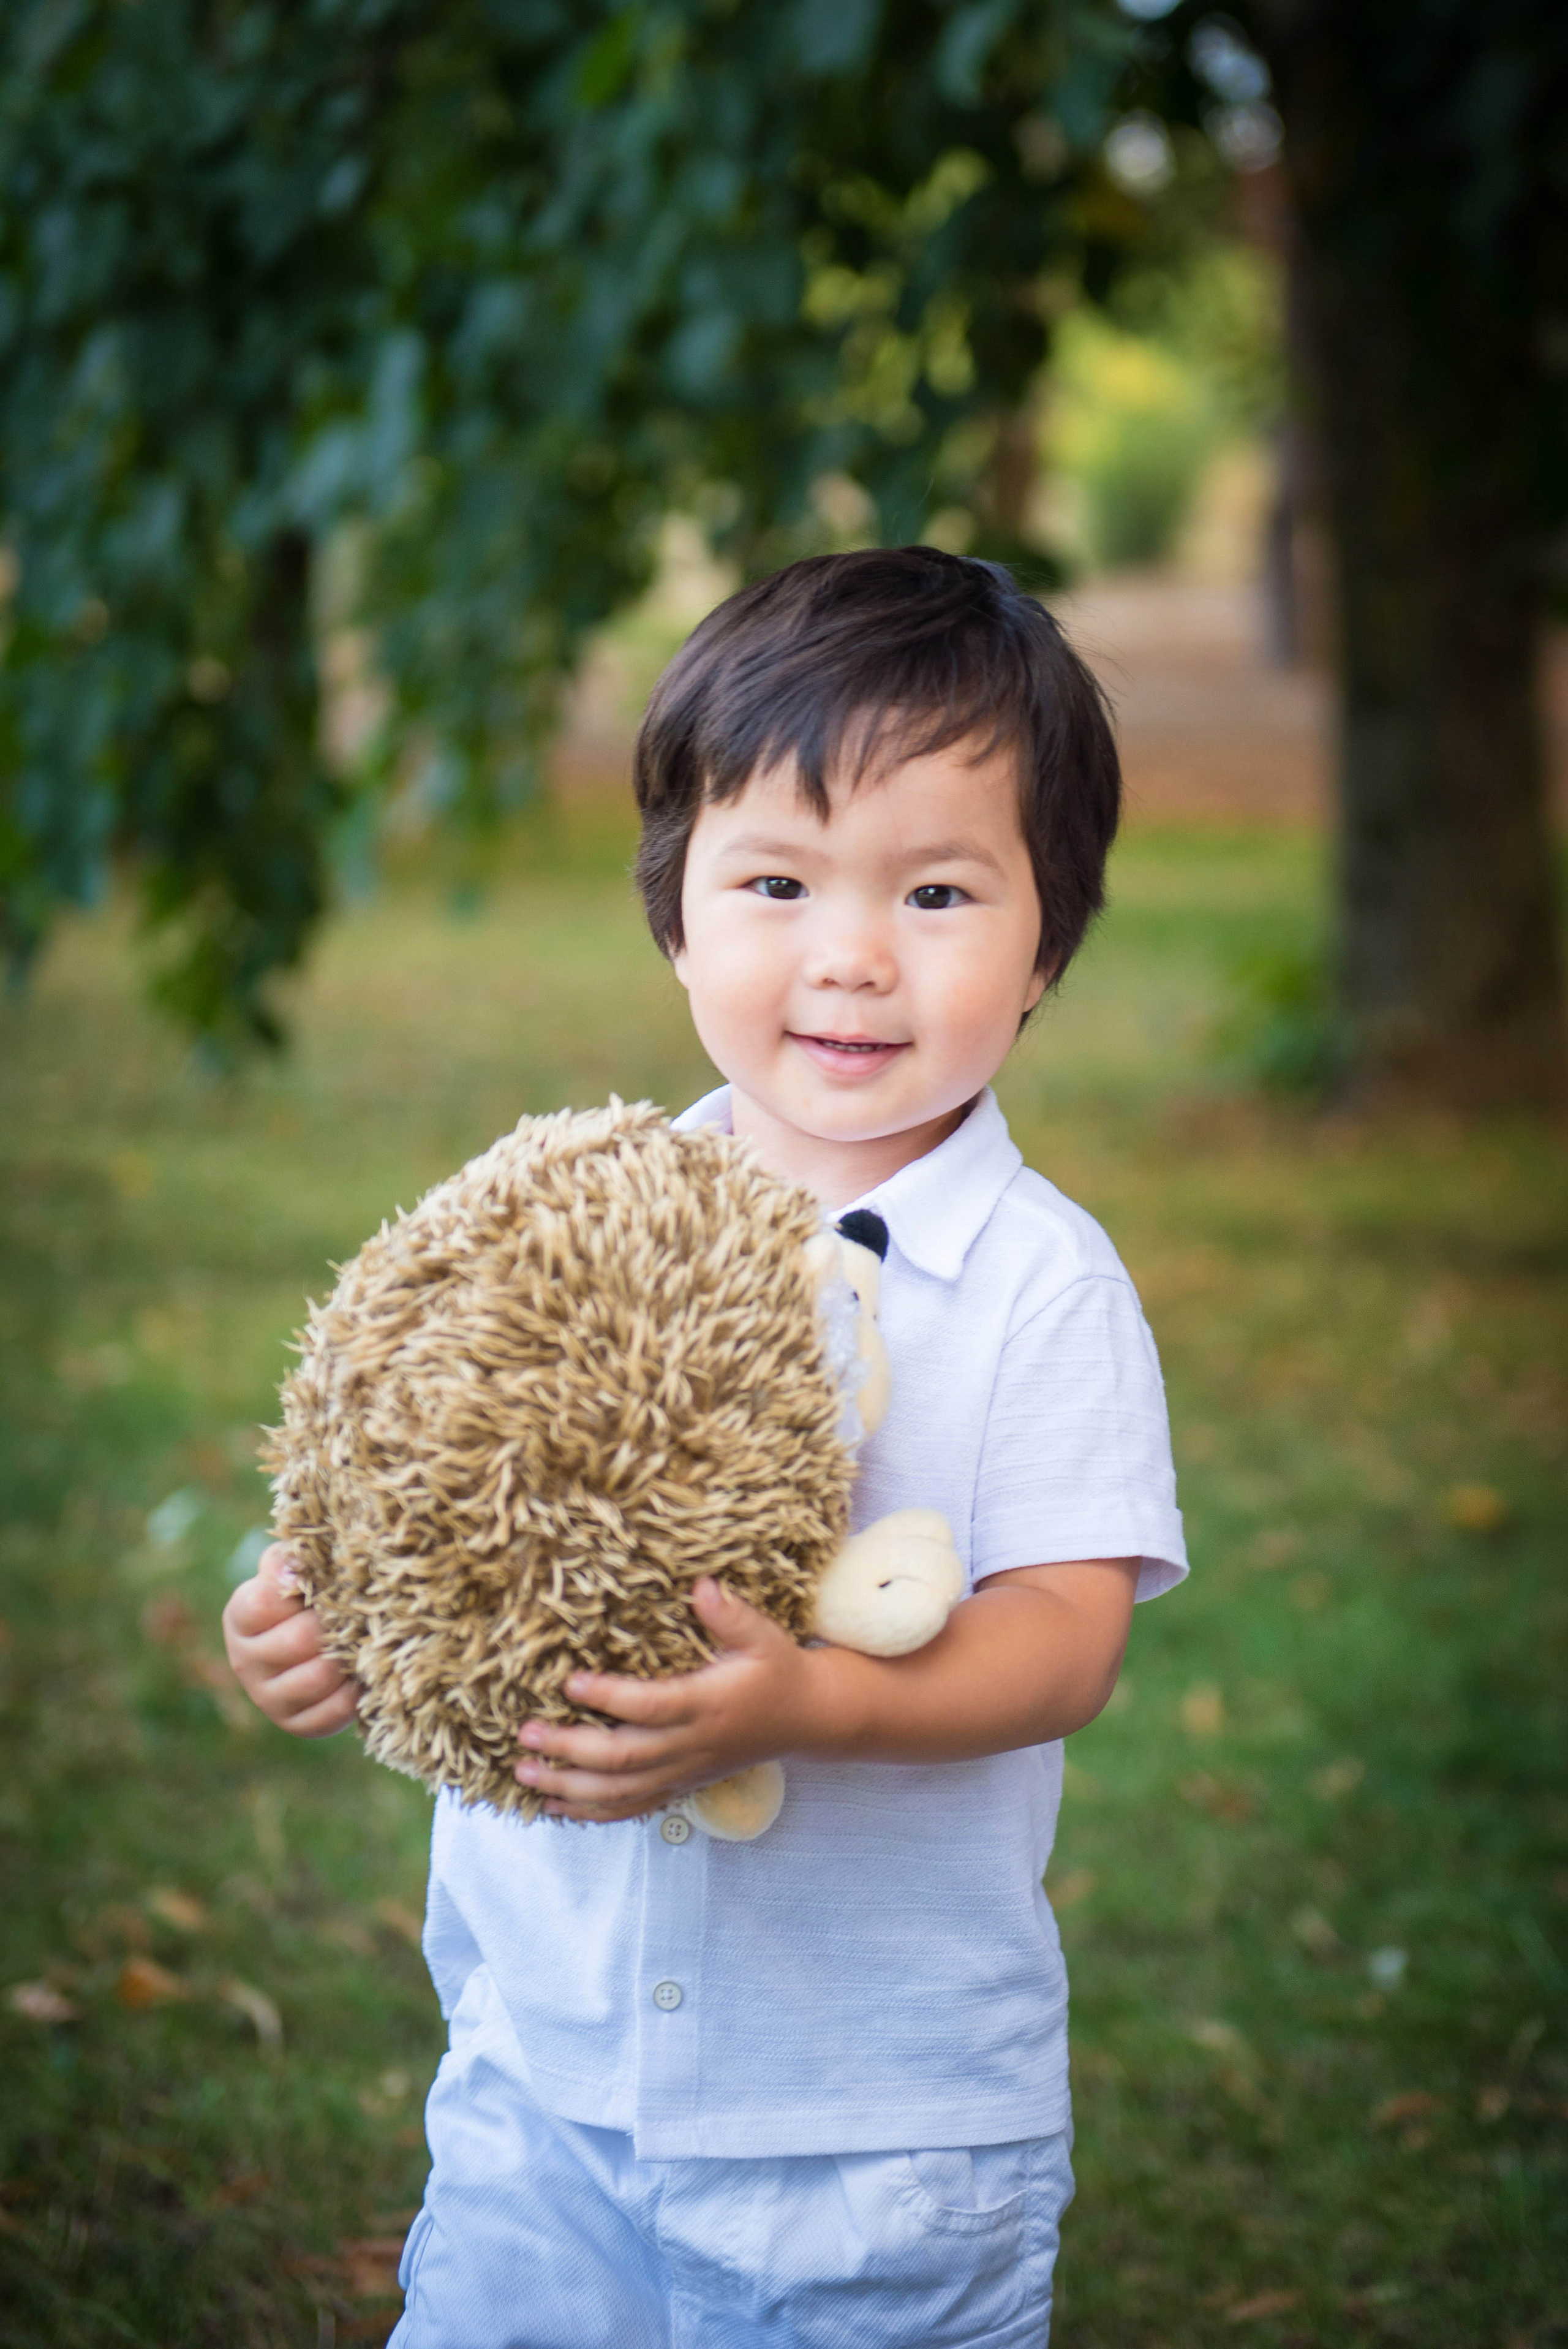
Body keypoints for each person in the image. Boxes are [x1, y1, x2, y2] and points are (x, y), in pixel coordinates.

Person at [223, 547, 1186, 2348]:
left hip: (869, 2127)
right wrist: (321, 1599)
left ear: (1046, 942)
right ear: (678, 920)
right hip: (542, 2068)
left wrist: (815, 1703)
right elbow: (430, 1460)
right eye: (775, 879)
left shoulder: (1043, 1285)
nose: (850, 953)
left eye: (938, 891)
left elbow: (1070, 1630)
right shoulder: (585, 1204)